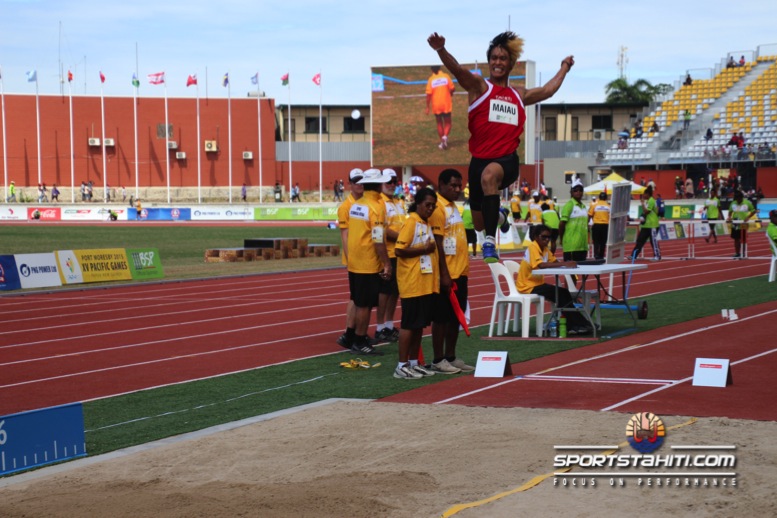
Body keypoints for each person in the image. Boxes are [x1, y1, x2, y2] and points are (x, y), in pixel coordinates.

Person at [428, 30, 573, 263]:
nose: (497, 62)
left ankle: (489, 242)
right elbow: (457, 70)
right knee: (478, 222)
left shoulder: (518, 95)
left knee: (489, 177)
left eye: (502, 58)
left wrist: (565, 66)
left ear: (511, 63)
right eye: (493, 58)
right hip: (478, 161)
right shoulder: (479, 87)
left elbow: (548, 90)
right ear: (489, 62)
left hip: (506, 161)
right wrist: (441, 50)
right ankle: (501, 218)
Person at [429, 169, 473, 374]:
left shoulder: (454, 207)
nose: (457, 189)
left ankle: (451, 356)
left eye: (459, 185)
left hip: (460, 271)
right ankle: (438, 359)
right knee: (441, 317)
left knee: (456, 316)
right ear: (441, 184)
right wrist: (444, 274)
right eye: (453, 185)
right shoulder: (438, 208)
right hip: (446, 273)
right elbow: (438, 243)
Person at [393, 187, 440, 379]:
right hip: (411, 282)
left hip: (424, 282)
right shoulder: (411, 222)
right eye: (427, 205)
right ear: (418, 203)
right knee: (409, 325)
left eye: (433, 206)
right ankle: (401, 365)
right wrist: (424, 249)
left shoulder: (424, 223)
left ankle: (414, 362)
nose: (430, 209)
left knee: (419, 325)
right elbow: (399, 250)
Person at [346, 168, 392, 356]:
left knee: (358, 301)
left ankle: (354, 336)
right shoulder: (376, 207)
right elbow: (378, 238)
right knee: (365, 304)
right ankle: (359, 339)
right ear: (379, 185)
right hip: (367, 262)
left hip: (355, 261)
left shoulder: (358, 204)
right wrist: (387, 263)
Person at [515, 224, 592, 335]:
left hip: (537, 284)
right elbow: (541, 265)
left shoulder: (545, 249)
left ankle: (577, 324)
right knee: (560, 294)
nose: (547, 240)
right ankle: (578, 324)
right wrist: (566, 263)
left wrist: (567, 263)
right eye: (544, 237)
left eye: (549, 237)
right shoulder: (533, 247)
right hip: (527, 286)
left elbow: (555, 262)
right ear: (536, 237)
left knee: (563, 292)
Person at [374, 169, 406, 344]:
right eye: (389, 182)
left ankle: (388, 324)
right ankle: (379, 327)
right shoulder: (381, 204)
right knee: (384, 292)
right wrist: (403, 237)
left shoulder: (397, 202)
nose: (392, 184)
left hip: (399, 252)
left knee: (395, 291)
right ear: (381, 183)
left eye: (394, 181)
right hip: (388, 252)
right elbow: (382, 231)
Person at [336, 168, 364, 350]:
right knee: (356, 298)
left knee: (363, 298)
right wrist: (350, 257)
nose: (359, 185)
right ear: (350, 184)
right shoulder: (346, 207)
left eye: (362, 181)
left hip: (367, 257)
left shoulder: (366, 203)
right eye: (356, 182)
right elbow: (345, 235)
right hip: (356, 259)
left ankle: (355, 332)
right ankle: (349, 333)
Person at [425, 65, 455, 151]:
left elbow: (428, 95)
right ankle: (445, 137)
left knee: (439, 123)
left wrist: (427, 107)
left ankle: (443, 142)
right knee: (448, 123)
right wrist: (451, 93)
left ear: (431, 69)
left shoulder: (431, 79)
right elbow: (452, 88)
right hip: (446, 104)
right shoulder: (446, 76)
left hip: (436, 105)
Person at [559, 183, 589, 262]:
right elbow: (562, 223)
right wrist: (561, 238)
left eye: (580, 190)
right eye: (575, 190)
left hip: (582, 246)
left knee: (582, 271)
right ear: (571, 193)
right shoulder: (569, 205)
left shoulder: (584, 207)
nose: (578, 192)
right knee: (571, 273)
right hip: (571, 246)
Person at [630, 186, 661, 261]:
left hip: (652, 225)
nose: (643, 195)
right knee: (640, 240)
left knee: (653, 241)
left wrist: (642, 204)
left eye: (644, 194)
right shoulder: (648, 201)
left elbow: (647, 211)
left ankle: (657, 256)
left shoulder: (651, 201)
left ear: (647, 194)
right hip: (646, 225)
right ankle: (634, 255)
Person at [726, 190, 757, 259]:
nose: (738, 200)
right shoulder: (733, 203)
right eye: (736, 199)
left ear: (741, 197)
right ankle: (737, 253)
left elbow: (753, 211)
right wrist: (729, 217)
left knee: (743, 239)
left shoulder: (747, 203)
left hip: (744, 223)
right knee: (736, 239)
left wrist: (748, 217)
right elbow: (730, 212)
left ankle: (743, 253)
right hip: (735, 223)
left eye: (739, 199)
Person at [589, 191, 610, 260]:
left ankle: (596, 255)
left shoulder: (595, 205)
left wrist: (588, 222)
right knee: (603, 241)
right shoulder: (608, 206)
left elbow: (590, 215)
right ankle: (601, 255)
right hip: (605, 225)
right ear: (606, 198)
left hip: (597, 225)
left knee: (596, 241)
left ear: (599, 197)